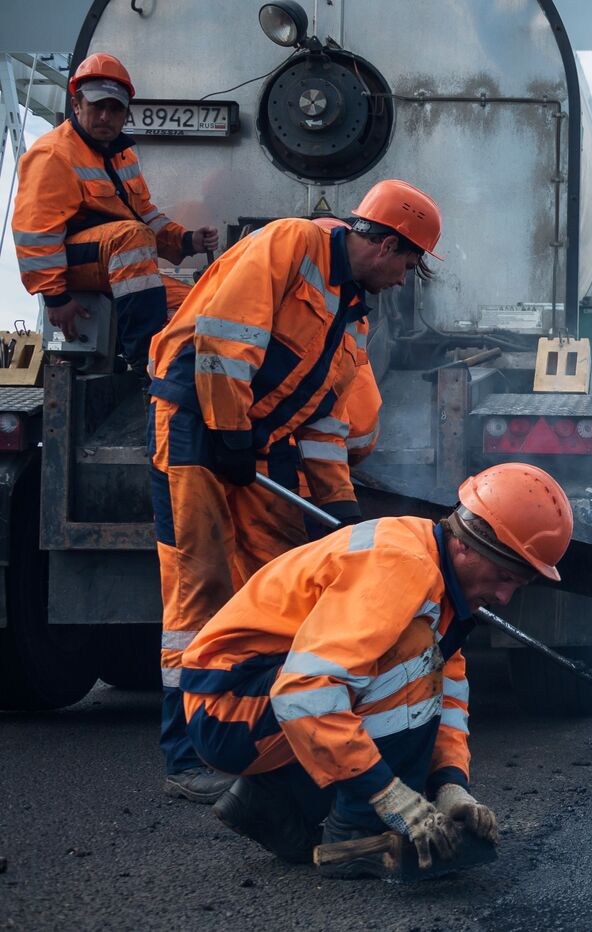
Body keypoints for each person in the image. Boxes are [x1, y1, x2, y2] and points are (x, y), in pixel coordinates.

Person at [145, 179, 442, 803]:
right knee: (199, 585)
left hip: (258, 445)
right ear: (387, 245)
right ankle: (186, 754)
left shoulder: (355, 318)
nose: (405, 280)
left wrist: (341, 513)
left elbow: (326, 423)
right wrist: (227, 432)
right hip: (198, 426)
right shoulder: (290, 243)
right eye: (410, 265)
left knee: (278, 583)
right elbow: (224, 341)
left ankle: (273, 738)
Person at [180, 464, 572, 878]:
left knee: (422, 660)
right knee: (410, 654)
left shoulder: (437, 576)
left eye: (518, 585)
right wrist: (388, 797)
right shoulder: (403, 568)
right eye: (503, 577)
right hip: (228, 708)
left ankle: (269, 801)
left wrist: (450, 784)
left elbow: (447, 691)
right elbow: (305, 691)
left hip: (251, 695)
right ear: (467, 547)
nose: (505, 597)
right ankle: (355, 837)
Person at [10, 53, 217, 369]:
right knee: (131, 237)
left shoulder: (123, 157)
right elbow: (35, 233)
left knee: (199, 303)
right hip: (75, 262)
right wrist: (55, 298)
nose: (106, 116)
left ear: (124, 114)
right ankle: (143, 361)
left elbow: (145, 214)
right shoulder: (53, 154)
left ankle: (178, 369)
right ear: (77, 105)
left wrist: (187, 240)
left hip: (112, 257)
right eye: (97, 106)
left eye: (115, 109)